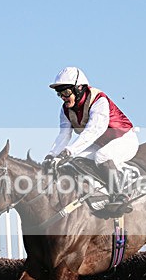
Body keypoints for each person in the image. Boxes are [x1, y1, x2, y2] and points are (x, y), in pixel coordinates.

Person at [44, 66, 139, 214]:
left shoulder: (99, 100)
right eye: (59, 93)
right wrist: (52, 155)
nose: (63, 97)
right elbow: (64, 135)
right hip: (101, 144)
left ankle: (121, 195)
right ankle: (101, 192)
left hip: (125, 140)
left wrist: (69, 151)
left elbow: (93, 131)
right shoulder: (65, 110)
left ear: (79, 88)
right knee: (76, 160)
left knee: (102, 156)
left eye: (66, 92)